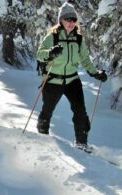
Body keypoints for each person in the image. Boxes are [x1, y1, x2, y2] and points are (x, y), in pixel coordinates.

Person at [36, 2, 107, 149]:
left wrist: (95, 73)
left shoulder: (78, 39)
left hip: (72, 80)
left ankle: (81, 143)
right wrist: (50, 53)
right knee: (47, 112)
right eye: (68, 19)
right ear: (61, 20)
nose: (71, 23)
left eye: (73, 20)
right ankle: (42, 139)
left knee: (80, 111)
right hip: (53, 80)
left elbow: (85, 60)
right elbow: (39, 55)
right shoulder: (52, 37)